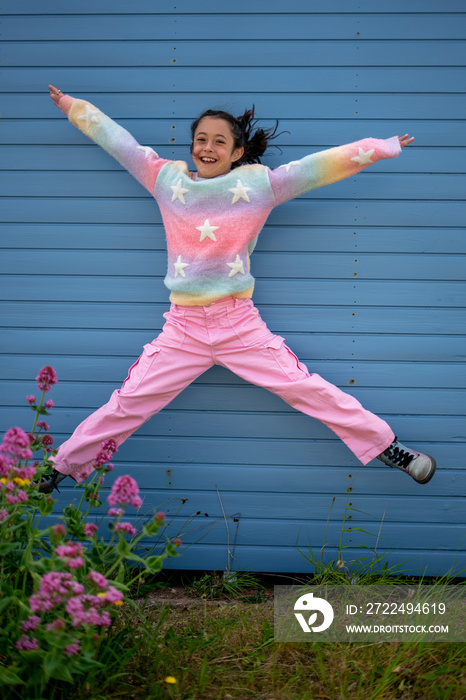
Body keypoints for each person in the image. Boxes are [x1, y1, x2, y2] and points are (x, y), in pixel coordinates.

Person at [39, 84, 436, 493]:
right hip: (183, 330)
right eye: (200, 140)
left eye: (219, 142)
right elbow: (119, 142)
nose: (207, 148)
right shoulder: (165, 179)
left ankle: (389, 447)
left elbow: (319, 167)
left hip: (238, 326)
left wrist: (381, 147)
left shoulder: (260, 186)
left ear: (236, 152)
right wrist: (72, 105)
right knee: (129, 403)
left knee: (304, 387)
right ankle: (58, 469)